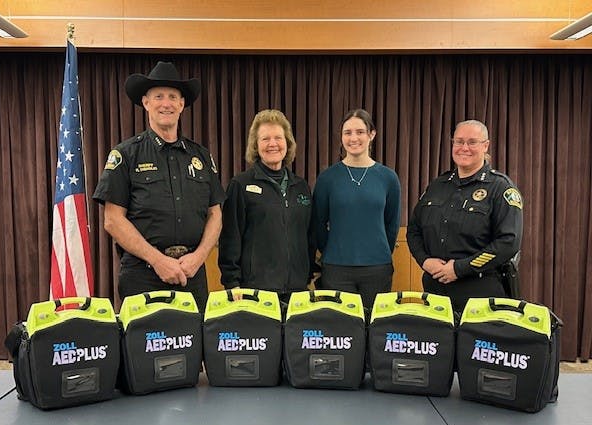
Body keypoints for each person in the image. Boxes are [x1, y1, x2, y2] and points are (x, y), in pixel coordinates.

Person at [93, 61, 225, 310]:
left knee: (193, 348)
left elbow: (215, 214)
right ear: (146, 102)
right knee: (144, 348)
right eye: (159, 96)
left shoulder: (201, 157)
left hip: (191, 274)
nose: (166, 103)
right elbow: (112, 220)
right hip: (143, 275)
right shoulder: (126, 155)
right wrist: (158, 261)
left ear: (182, 104)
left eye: (173, 97)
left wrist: (199, 258)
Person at [406, 119, 523, 314]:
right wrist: (425, 261)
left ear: (485, 145)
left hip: (479, 293)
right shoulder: (437, 186)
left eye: (472, 142)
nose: (464, 148)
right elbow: (414, 230)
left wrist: (460, 268)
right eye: (459, 141)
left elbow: (508, 242)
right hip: (435, 292)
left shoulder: (501, 188)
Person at [218, 109, 313, 303]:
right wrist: (232, 283)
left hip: (297, 291)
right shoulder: (240, 185)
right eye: (265, 139)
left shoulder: (301, 186)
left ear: (287, 143)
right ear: (255, 145)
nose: (272, 144)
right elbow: (230, 238)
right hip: (255, 293)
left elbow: (309, 236)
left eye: (278, 137)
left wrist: (309, 274)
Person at [311, 108, 401, 312]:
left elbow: (391, 224)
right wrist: (331, 250)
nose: (354, 138)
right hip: (336, 268)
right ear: (341, 137)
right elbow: (317, 224)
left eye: (360, 132)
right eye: (347, 132)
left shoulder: (388, 178)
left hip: (377, 268)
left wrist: (378, 251)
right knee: (341, 332)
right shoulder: (327, 178)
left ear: (372, 134)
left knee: (373, 328)